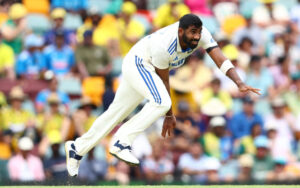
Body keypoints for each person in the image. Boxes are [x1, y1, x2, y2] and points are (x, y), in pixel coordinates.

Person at [65, 14, 260, 177]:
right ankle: (121, 140)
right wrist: (169, 114)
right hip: (140, 63)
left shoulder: (201, 34)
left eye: (198, 32)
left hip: (143, 66)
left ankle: (77, 149)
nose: (196, 36)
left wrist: (239, 82)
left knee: (115, 113)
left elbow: (220, 58)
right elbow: (163, 80)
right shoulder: (164, 44)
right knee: (161, 101)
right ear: (180, 31)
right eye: (192, 32)